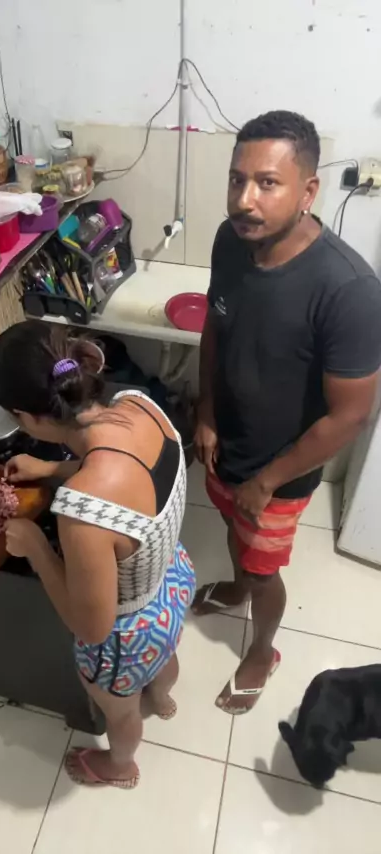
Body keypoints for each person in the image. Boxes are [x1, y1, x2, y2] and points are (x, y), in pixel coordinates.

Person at [193, 110, 381, 714]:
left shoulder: (348, 289)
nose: (244, 200)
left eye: (267, 183)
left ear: (308, 191)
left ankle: (262, 649)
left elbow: (350, 416)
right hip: (226, 443)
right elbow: (215, 327)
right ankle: (237, 585)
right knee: (234, 533)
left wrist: (267, 481)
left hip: (279, 474)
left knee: (265, 570)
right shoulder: (231, 240)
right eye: (237, 179)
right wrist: (207, 411)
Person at [0, 320, 195, 787]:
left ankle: (120, 766)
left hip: (129, 633)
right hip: (170, 581)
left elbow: (91, 627)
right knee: (165, 654)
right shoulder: (139, 405)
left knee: (120, 712)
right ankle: (162, 698)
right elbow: (120, 466)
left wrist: (36, 546)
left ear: (25, 416)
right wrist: (50, 469)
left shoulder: (84, 509)